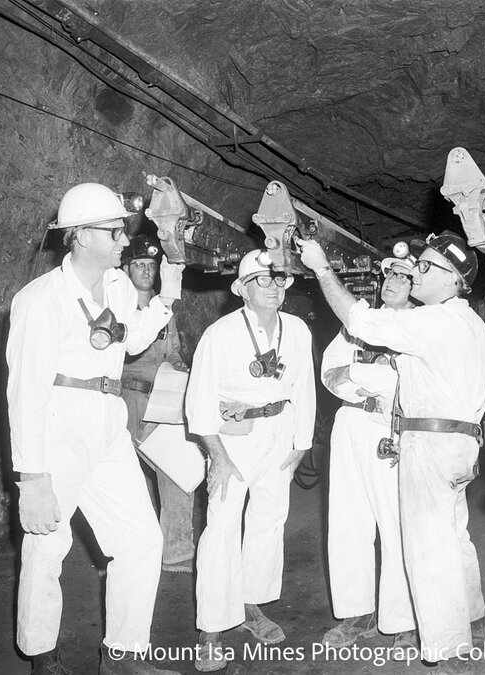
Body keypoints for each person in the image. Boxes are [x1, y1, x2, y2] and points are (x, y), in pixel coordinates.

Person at [6, 182, 184, 675]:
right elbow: (24, 394)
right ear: (81, 235)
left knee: (141, 540)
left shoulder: (118, 288)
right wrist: (32, 478)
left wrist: (167, 295)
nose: (125, 241)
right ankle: (44, 657)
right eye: (114, 232)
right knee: (47, 546)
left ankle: (124, 656)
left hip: (108, 419)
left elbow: (136, 337)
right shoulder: (40, 299)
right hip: (59, 421)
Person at [297, 232, 485, 674]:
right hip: (456, 440)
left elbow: (360, 322)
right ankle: (475, 623)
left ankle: (449, 653)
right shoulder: (470, 324)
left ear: (454, 281)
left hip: (429, 440)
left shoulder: (436, 320)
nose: (416, 273)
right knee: (453, 536)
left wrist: (322, 268)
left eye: (425, 267)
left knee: (429, 548)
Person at [184, 250, 316, 672]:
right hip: (233, 437)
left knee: (268, 521)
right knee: (221, 525)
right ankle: (211, 626)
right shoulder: (220, 333)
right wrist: (217, 456)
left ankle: (252, 605)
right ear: (242, 289)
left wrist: (301, 444)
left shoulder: (296, 330)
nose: (274, 287)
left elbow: (306, 389)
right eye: (263, 280)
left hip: (280, 432)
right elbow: (199, 401)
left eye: (279, 279)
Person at [318, 253, 418, 654]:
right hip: (350, 423)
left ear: (418, 285)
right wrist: (359, 382)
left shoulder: (417, 326)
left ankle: (403, 618)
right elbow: (330, 372)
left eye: (404, 276)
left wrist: (361, 376)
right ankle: (356, 611)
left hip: (391, 428)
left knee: (396, 524)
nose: (393, 280)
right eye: (389, 273)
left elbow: (408, 385)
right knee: (346, 521)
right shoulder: (357, 322)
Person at [119, 234, 197, 574]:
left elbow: (174, 351)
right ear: (125, 269)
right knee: (123, 478)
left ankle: (177, 550)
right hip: (127, 399)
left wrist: (180, 366)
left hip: (162, 400)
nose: (146, 271)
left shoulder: (165, 309)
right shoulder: (118, 307)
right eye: (139, 265)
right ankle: (126, 553)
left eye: (151, 266)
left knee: (177, 466)